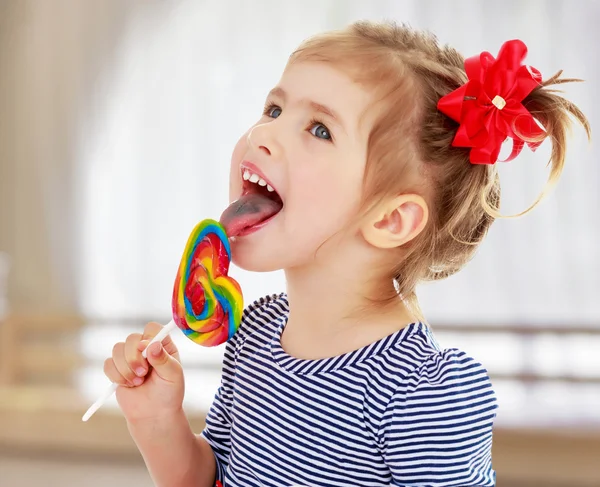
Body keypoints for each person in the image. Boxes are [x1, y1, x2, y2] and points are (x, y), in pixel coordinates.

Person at [103, 20, 590, 487]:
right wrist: (157, 421)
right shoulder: (253, 335)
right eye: (273, 110)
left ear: (388, 220)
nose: (261, 135)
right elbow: (210, 479)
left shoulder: (419, 393)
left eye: (319, 129)